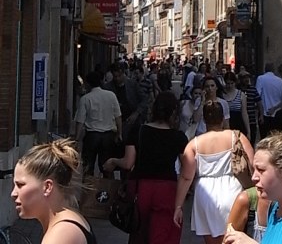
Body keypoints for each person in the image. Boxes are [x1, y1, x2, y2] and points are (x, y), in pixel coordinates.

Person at [103, 91, 188, 244]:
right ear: (173, 112)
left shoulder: (139, 131)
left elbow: (128, 163)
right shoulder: (179, 137)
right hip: (167, 189)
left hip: (140, 187)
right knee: (162, 234)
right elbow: (186, 169)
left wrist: (114, 161)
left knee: (139, 232)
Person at [174, 100, 254, 244]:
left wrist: (178, 206)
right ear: (223, 118)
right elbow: (253, 165)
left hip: (205, 194)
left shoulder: (194, 143)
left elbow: (186, 177)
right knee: (234, 239)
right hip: (233, 190)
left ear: (204, 120)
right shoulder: (237, 137)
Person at [12, 139, 96, 244]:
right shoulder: (67, 222)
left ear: (47, 187)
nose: (13, 193)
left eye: (20, 185)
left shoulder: (62, 233)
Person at [74, 71, 122, 176]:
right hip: (108, 136)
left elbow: (80, 121)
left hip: (92, 136)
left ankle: (88, 189)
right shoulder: (111, 95)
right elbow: (118, 116)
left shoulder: (85, 99)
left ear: (88, 84)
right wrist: (119, 133)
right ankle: (107, 189)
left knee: (88, 166)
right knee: (107, 167)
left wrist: (76, 139)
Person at [256, 63, 282, 137]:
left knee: (264, 137)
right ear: (274, 70)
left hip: (264, 113)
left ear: (265, 69)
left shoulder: (260, 78)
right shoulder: (280, 81)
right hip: (277, 113)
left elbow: (257, 95)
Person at [223, 72, 251, 137]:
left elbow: (244, 113)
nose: (230, 86)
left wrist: (248, 130)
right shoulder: (222, 94)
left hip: (238, 124)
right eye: (228, 83)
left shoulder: (241, 95)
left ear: (235, 83)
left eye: (231, 83)